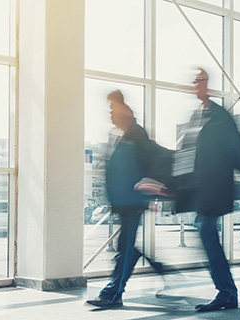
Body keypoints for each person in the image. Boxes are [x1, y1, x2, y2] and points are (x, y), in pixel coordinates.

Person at [173, 68, 240, 312]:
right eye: (193, 81)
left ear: (207, 84)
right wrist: (173, 186)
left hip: (214, 188)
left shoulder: (219, 115)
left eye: (199, 81)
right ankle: (226, 292)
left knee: (206, 233)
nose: (195, 85)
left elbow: (239, 150)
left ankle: (226, 292)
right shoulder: (197, 116)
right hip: (200, 189)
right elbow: (186, 155)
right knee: (206, 235)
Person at [86, 90, 171, 309]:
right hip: (122, 203)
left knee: (124, 247)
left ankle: (113, 293)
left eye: (113, 108)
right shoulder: (119, 135)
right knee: (126, 247)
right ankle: (159, 267)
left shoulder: (136, 134)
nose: (110, 114)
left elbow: (151, 162)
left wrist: (150, 189)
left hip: (133, 202)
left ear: (123, 108)